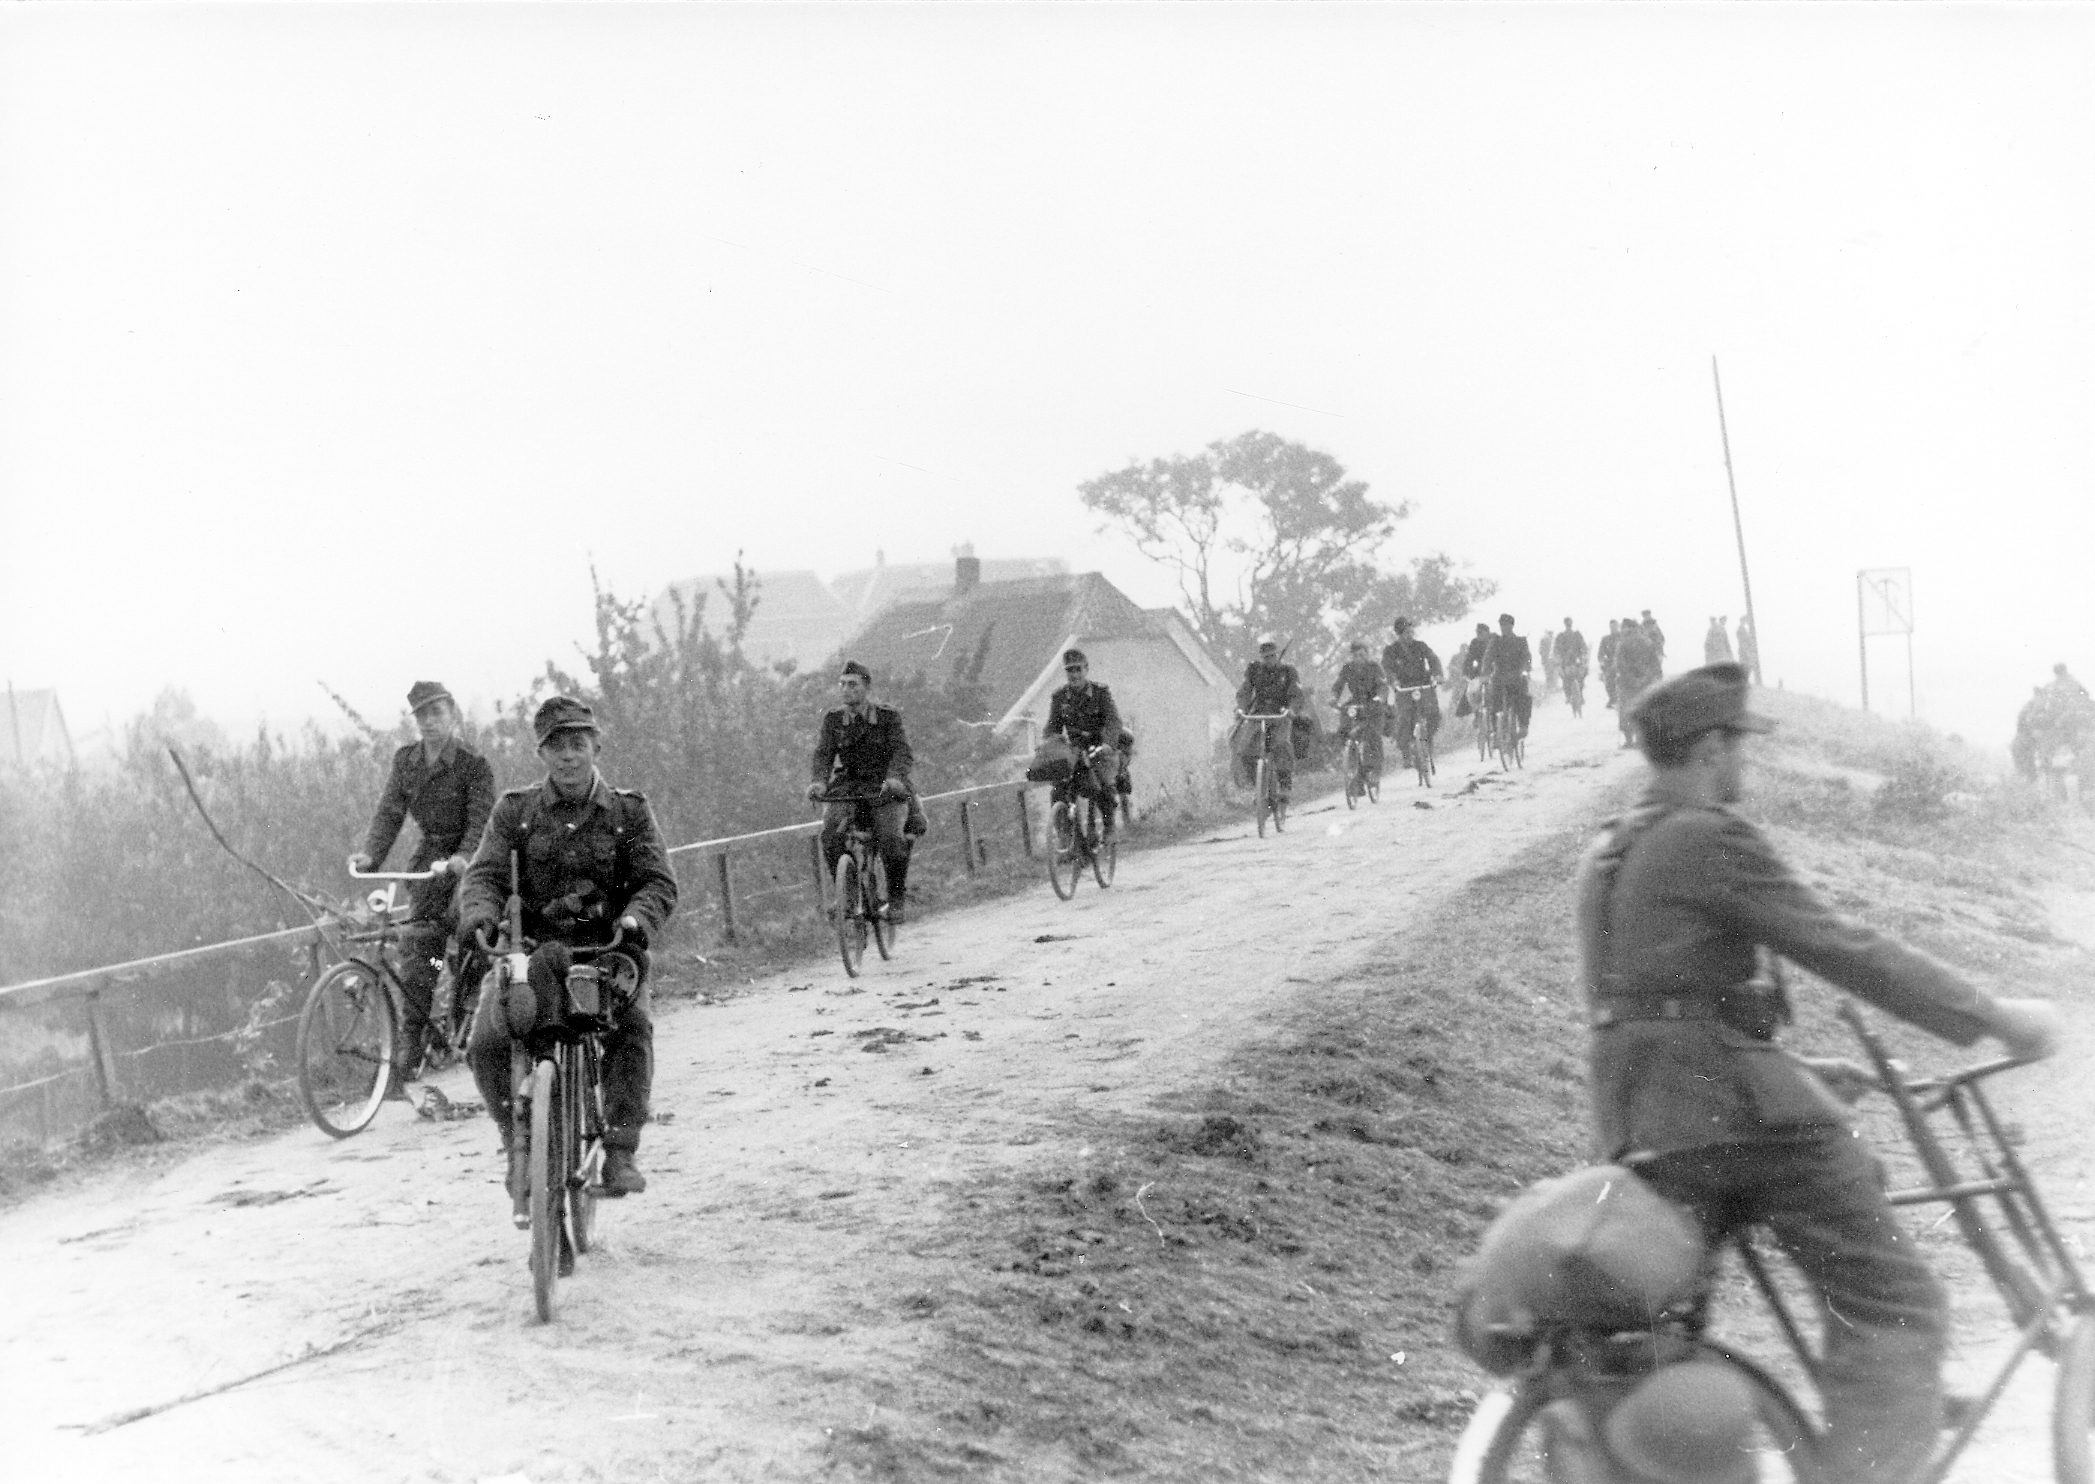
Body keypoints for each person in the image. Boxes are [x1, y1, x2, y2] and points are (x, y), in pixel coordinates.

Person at [1579, 664, 2061, 1484]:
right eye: (1737, 747)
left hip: (1640, 1126)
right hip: (1733, 1121)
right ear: (1706, 747)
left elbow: (1650, 1005)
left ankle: (1842, 1418)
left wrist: (1793, 1066)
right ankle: (1874, 1443)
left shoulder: (1609, 853)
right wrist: (1991, 1018)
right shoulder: (1706, 834)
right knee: (1894, 1301)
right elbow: (1843, 946)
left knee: (1683, 1320)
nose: (1744, 766)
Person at [459, 696, 678, 1197]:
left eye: (578, 744)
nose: (568, 757)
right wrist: (480, 915)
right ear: (541, 755)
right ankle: (515, 1140)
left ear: (596, 746)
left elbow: (658, 882)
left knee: (632, 1029)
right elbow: (484, 875)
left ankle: (620, 1152)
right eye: (556, 747)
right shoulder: (514, 812)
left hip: (609, 951)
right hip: (533, 953)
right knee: (487, 1043)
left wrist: (635, 918)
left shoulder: (629, 812)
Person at [350, 680, 495, 1085]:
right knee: (420, 950)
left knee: (471, 934)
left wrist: (464, 858)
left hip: (471, 862)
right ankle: (408, 1054)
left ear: (452, 713)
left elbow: (482, 819)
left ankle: (468, 1021)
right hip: (429, 863)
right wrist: (370, 856)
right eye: (422, 716)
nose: (429, 722)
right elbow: (389, 814)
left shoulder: (473, 763)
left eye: (437, 713)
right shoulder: (407, 761)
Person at [805, 660, 918, 923]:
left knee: (891, 838)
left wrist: (894, 779)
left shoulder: (888, 717)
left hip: (883, 788)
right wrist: (819, 782)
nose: (846, 690)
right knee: (831, 833)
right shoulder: (834, 720)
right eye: (842, 685)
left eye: (853, 684)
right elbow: (823, 755)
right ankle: (847, 895)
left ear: (866, 688)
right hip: (849, 787)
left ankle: (896, 899)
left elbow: (902, 752)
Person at [1044, 648, 1125, 837]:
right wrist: (1050, 743)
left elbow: (1114, 721)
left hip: (1099, 747)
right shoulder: (1060, 697)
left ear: (1086, 669)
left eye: (1078, 669)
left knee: (1103, 783)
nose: (1074, 675)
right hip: (1074, 751)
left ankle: (1109, 827)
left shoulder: (1100, 693)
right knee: (1059, 789)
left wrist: (1108, 744)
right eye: (1070, 670)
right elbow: (1052, 727)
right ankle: (1065, 838)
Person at [1235, 635, 1303, 804]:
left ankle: (1285, 784)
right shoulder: (1255, 671)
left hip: (1281, 715)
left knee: (1281, 744)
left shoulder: (1288, 672)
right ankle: (1258, 787)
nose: (1269, 660)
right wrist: (1241, 708)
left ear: (1277, 655)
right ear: (1261, 658)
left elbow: (1296, 694)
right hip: (1258, 714)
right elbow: (1245, 691)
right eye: (1266, 657)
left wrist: (1291, 710)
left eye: (1272, 656)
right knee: (1244, 750)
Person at [1380, 617, 1443, 770]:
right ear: (1399, 634)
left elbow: (1433, 659)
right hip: (1404, 689)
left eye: (1410, 631)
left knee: (1433, 714)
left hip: (1423, 685)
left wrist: (1437, 675)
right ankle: (1406, 753)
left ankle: (1428, 741)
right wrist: (1393, 682)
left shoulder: (1420, 646)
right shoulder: (1391, 651)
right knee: (1403, 719)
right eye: (1405, 633)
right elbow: (1387, 668)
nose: (1409, 635)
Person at [1330, 639, 1389, 782]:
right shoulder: (1347, 668)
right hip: (1356, 704)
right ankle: (1342, 759)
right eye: (1356, 656)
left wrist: (1379, 698)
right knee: (1345, 728)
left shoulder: (1375, 667)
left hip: (1373, 706)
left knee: (1372, 735)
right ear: (1352, 656)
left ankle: (1375, 770)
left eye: (1362, 655)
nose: (1359, 659)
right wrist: (1333, 698)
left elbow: (1382, 686)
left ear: (1367, 654)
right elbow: (1338, 685)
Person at [1613, 616, 1665, 745]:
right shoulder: (1648, 642)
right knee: (1643, 709)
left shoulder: (1623, 643)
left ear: (1627, 628)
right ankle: (1640, 738)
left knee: (1626, 709)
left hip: (1627, 683)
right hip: (1646, 682)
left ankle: (1629, 740)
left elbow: (1620, 664)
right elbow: (1655, 665)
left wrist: (1631, 678)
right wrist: (1646, 678)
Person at [1485, 613, 1533, 741]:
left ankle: (1523, 726)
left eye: (1506, 625)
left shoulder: (1521, 641)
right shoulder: (1495, 642)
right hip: (1499, 677)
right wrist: (1486, 672)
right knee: (1494, 702)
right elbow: (1488, 658)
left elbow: (1526, 658)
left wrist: (1525, 670)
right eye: (1501, 625)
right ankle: (1496, 731)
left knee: (1523, 698)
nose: (1503, 628)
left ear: (1512, 625)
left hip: (1517, 676)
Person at [1555, 617, 1589, 697]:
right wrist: (1558, 661)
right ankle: (1568, 695)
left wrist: (1583, 657)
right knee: (1565, 678)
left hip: (1577, 661)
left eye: (1569, 623)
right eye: (1567, 623)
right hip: (1565, 663)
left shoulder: (1577, 635)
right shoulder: (1560, 636)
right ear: (1565, 624)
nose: (1569, 625)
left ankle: (1579, 694)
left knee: (1581, 676)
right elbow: (1556, 650)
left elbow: (1584, 647)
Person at [1596, 620, 1622, 710]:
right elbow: (1600, 654)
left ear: (1618, 627)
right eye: (1612, 627)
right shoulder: (1605, 639)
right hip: (1610, 664)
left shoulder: (1623, 637)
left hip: (1623, 663)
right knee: (1608, 679)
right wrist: (1602, 661)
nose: (1613, 629)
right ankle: (1612, 698)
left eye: (1615, 627)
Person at [1734, 615, 1759, 680]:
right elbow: (1742, 641)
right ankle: (1743, 680)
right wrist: (1747, 651)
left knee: (1748, 666)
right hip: (1744, 650)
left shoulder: (1743, 629)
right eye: (1746, 620)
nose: (1747, 622)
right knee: (1745, 666)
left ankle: (1744, 680)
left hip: (1745, 650)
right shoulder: (1740, 630)